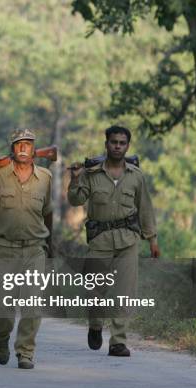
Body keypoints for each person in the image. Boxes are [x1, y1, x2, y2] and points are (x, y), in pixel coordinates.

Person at [67, 125, 159, 357]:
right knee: (95, 291)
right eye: (113, 142)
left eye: (122, 143)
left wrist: (152, 239)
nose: (117, 146)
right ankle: (95, 324)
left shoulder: (135, 176)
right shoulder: (92, 174)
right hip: (100, 240)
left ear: (127, 146)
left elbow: (145, 207)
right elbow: (75, 200)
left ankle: (118, 341)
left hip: (128, 239)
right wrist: (75, 179)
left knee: (125, 292)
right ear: (106, 144)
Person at [0, 128, 53, 370]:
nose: (23, 148)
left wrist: (51, 244)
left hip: (35, 248)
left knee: (33, 304)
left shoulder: (45, 177)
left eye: (28, 144)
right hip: (4, 248)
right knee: (3, 307)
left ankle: (25, 352)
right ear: (12, 148)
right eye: (19, 144)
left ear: (35, 148)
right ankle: (2, 337)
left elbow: (48, 212)